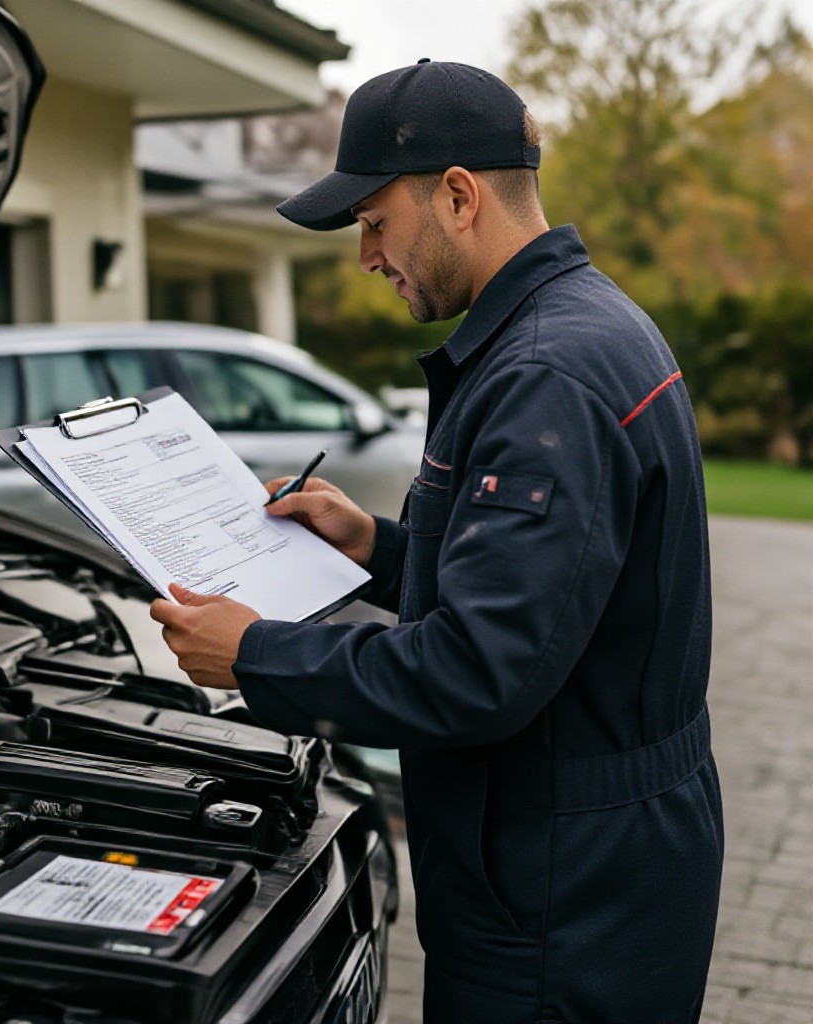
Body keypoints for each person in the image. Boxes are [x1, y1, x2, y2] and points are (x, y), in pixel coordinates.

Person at [151, 61, 724, 1024]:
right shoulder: (579, 326)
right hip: (600, 850)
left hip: (559, 887)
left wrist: (254, 653)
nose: (367, 257)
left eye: (373, 222)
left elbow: (476, 670)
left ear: (456, 196)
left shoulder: (545, 373)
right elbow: (553, 588)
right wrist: (371, 540)